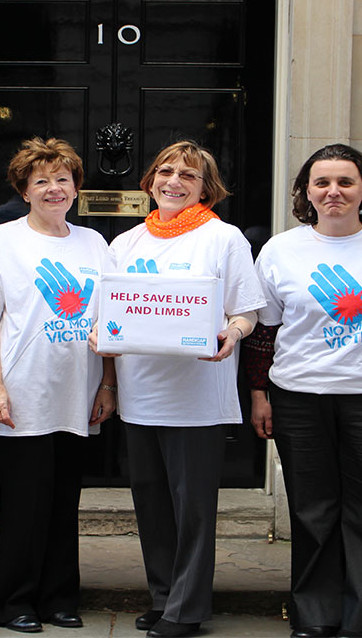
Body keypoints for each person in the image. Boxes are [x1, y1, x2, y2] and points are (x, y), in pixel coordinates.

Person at [243, 144, 362, 638]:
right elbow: (264, 331)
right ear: (306, 192)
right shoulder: (281, 249)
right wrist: (260, 393)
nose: (333, 192)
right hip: (300, 396)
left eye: (345, 182)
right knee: (313, 509)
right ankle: (315, 616)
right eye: (322, 183)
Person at [95, 140, 265, 638]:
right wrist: (99, 333)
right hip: (140, 393)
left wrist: (231, 334)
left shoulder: (223, 238)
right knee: (151, 502)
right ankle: (164, 596)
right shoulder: (125, 243)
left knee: (192, 507)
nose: (173, 181)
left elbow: (246, 310)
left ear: (205, 189)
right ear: (149, 181)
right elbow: (106, 311)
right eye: (166, 172)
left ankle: (186, 610)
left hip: (197, 396)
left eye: (188, 176)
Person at [0, 137, 117, 633]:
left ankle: (58, 597)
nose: (54, 188)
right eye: (42, 181)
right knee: (25, 503)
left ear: (76, 187)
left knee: (63, 501)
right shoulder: (4, 240)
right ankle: (12, 602)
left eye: (63, 179)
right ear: (24, 190)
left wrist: (108, 385)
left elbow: (113, 320)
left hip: (77, 390)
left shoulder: (94, 243)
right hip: (24, 390)